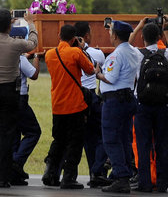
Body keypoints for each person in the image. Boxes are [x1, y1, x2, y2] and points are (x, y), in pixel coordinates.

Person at [0, 9, 37, 188]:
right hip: (9, 92)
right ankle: (4, 179)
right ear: (10, 24)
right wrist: (31, 23)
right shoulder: (15, 44)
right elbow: (33, 42)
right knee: (7, 135)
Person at [42, 25, 94, 190]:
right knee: (75, 143)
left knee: (59, 140)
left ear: (59, 35)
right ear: (74, 39)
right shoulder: (76, 52)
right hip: (75, 105)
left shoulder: (50, 54)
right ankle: (69, 177)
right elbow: (90, 70)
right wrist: (79, 48)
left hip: (57, 105)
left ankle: (50, 172)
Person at [95, 20, 141, 193]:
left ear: (115, 35)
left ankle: (121, 177)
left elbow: (111, 78)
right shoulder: (132, 51)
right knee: (124, 139)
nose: (109, 34)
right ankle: (123, 175)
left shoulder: (116, 55)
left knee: (111, 139)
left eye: (110, 32)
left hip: (115, 100)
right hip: (128, 98)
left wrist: (98, 74)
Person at [131, 22, 168, 192]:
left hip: (142, 105)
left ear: (142, 37)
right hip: (163, 105)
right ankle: (162, 183)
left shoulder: (137, 54)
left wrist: (139, 26)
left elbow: (127, 44)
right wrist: (166, 29)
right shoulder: (166, 54)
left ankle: (144, 183)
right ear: (159, 38)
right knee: (163, 145)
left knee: (143, 145)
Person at [73, 21, 110, 188]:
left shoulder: (68, 52)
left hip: (75, 96)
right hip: (91, 97)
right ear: (87, 36)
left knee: (86, 137)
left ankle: (91, 171)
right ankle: (97, 171)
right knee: (100, 135)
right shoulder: (97, 53)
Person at [10, 26, 41, 186]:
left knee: (15, 135)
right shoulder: (20, 58)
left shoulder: (10, 53)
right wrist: (36, 56)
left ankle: (14, 173)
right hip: (20, 99)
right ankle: (15, 163)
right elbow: (34, 75)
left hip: (8, 98)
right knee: (34, 132)